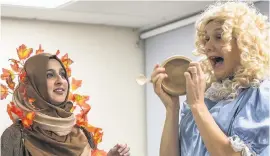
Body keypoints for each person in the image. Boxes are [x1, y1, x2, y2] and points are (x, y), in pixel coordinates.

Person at [151, 1, 269, 156]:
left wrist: (198, 106)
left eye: (219, 37)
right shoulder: (206, 96)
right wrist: (172, 108)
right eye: (206, 39)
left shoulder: (260, 94)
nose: (208, 47)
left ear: (244, 43)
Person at [1, 53, 130, 156]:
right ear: (33, 84)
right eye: (49, 75)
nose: (60, 81)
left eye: (63, 75)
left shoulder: (81, 134)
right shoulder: (17, 136)